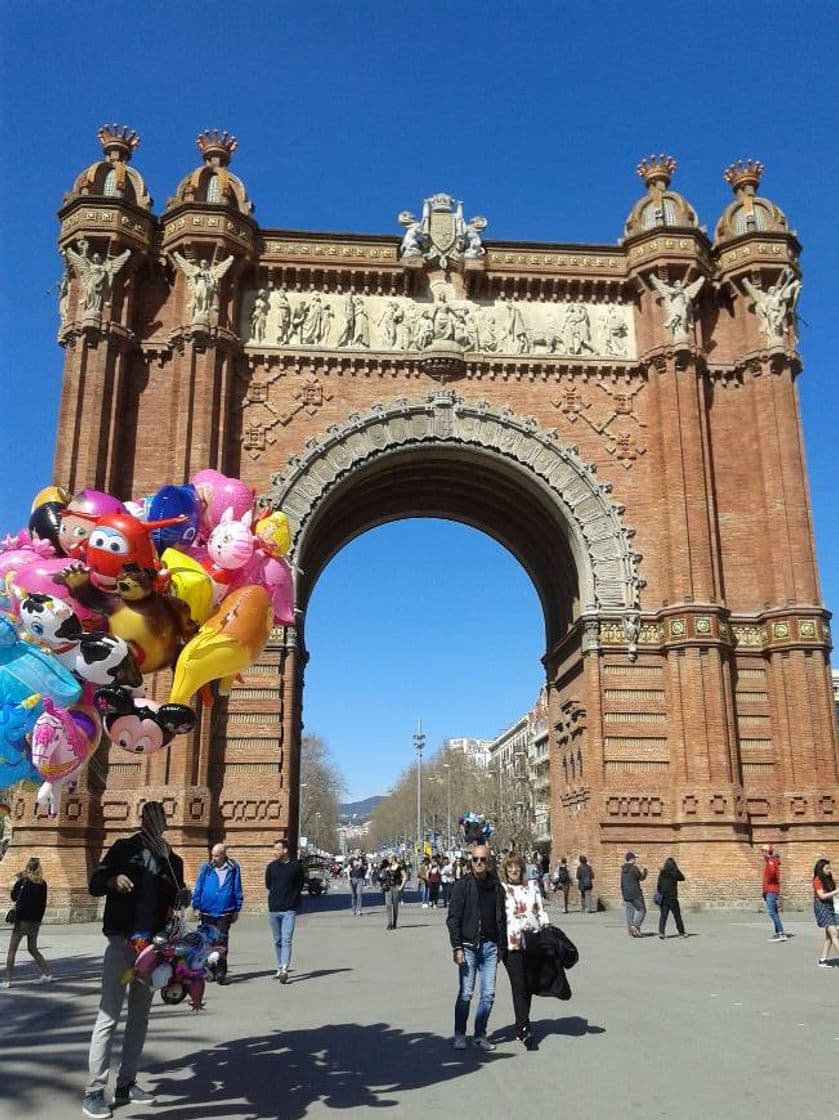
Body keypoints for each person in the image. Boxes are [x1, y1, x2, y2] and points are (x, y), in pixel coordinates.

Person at [82, 801, 189, 1119]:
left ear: (165, 822)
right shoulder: (123, 849)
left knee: (139, 1018)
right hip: (122, 944)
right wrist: (112, 881)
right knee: (109, 1016)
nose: (154, 823)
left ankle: (127, 1083)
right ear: (142, 820)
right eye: (149, 817)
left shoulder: (173, 861)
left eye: (159, 817)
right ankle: (94, 1090)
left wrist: (183, 896)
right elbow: (94, 883)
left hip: (151, 951)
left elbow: (175, 899)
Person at [446, 843, 507, 1051]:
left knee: (488, 993)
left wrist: (502, 946)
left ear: (490, 862)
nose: (479, 863)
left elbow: (503, 918)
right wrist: (457, 947)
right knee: (466, 993)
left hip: (491, 946)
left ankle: (480, 1034)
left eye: (483, 859)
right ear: (470, 861)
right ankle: (460, 1034)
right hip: (468, 946)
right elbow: (453, 918)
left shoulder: (497, 887)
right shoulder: (462, 886)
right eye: (475, 860)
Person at [500, 851, 548, 1050]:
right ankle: (523, 1028)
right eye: (509, 868)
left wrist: (547, 931)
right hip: (511, 945)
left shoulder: (533, 886)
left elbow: (540, 910)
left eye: (516, 867)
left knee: (528, 985)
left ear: (522, 869)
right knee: (519, 985)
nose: (513, 871)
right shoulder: (501, 889)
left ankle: (523, 1021)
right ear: (505, 870)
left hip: (533, 941)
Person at [190, 843, 244, 983]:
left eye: (217, 856)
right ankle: (210, 970)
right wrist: (196, 906)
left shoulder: (233, 868)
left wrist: (237, 908)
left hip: (224, 912)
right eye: (212, 855)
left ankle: (221, 972)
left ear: (224, 855)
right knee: (207, 942)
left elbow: (237, 888)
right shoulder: (206, 867)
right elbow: (199, 886)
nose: (213, 858)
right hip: (207, 911)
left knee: (222, 942)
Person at [1, 857, 52, 988]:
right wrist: (39, 920)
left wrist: (18, 881)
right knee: (32, 948)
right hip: (35, 921)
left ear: (28, 867)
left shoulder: (23, 881)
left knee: (12, 950)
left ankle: (7, 980)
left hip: (22, 920)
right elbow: (43, 904)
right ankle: (46, 973)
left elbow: (13, 896)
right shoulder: (42, 883)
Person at [265, 839, 305, 983]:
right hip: (274, 909)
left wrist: (292, 898)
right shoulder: (271, 867)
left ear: (285, 850)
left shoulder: (296, 867)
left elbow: (300, 884)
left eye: (277, 849)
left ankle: (284, 968)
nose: (274, 852)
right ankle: (279, 964)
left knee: (287, 940)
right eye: (274, 849)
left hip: (289, 909)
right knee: (278, 940)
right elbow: (268, 884)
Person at [811, 858, 839, 966]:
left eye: (829, 868)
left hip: (830, 906)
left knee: (830, 936)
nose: (829, 870)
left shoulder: (829, 879)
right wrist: (836, 891)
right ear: (820, 869)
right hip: (821, 907)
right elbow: (821, 896)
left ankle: (823, 960)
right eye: (827, 868)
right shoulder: (817, 880)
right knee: (834, 933)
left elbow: (834, 894)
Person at [761, 844, 788, 942]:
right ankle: (778, 933)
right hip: (771, 890)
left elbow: (772, 873)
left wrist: (768, 882)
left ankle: (781, 933)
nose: (762, 854)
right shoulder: (771, 861)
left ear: (768, 852)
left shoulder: (771, 862)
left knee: (772, 913)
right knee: (774, 912)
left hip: (771, 890)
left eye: (764, 851)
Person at [656, 857, 687, 939]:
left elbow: (658, 886)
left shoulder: (662, 873)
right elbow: (682, 878)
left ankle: (661, 933)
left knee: (663, 916)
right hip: (672, 898)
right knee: (677, 916)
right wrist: (677, 869)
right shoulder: (675, 873)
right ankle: (681, 933)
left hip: (664, 898)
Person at [621, 852, 648, 937]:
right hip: (636, 893)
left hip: (626, 894)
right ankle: (636, 926)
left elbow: (622, 883)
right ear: (632, 859)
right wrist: (645, 871)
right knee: (642, 910)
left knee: (629, 913)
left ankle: (631, 931)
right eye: (635, 858)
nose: (635, 860)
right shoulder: (634, 868)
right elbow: (641, 878)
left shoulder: (623, 870)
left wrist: (623, 894)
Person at [380, 855, 405, 930]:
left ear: (393, 859)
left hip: (396, 887)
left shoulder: (399, 867)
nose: (388, 860)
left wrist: (401, 886)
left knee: (395, 906)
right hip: (388, 887)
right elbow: (382, 876)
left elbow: (405, 876)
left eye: (389, 858)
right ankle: (389, 923)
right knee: (388, 905)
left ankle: (394, 923)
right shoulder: (388, 867)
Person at [348, 850, 367, 916]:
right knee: (353, 895)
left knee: (359, 894)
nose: (360, 853)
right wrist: (348, 877)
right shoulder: (351, 859)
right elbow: (348, 868)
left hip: (360, 878)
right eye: (358, 852)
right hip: (353, 878)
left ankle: (359, 910)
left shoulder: (363, 859)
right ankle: (354, 909)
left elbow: (365, 868)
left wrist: (361, 865)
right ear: (355, 853)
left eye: (360, 852)